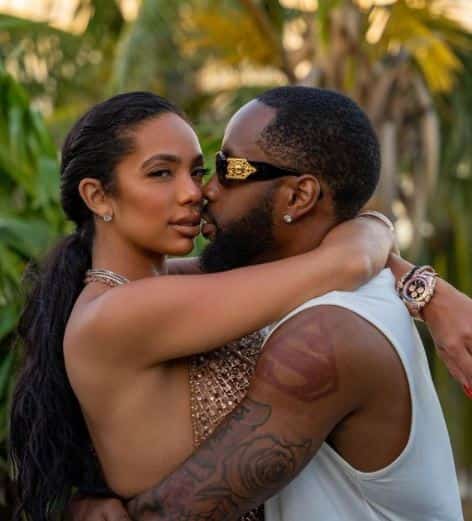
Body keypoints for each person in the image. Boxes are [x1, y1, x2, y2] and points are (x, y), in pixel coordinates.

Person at [71, 87, 469, 521]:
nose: (202, 191)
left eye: (228, 170)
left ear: (298, 197)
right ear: (97, 196)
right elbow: (347, 255)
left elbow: (168, 514)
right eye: (163, 173)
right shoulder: (295, 284)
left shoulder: (325, 331)